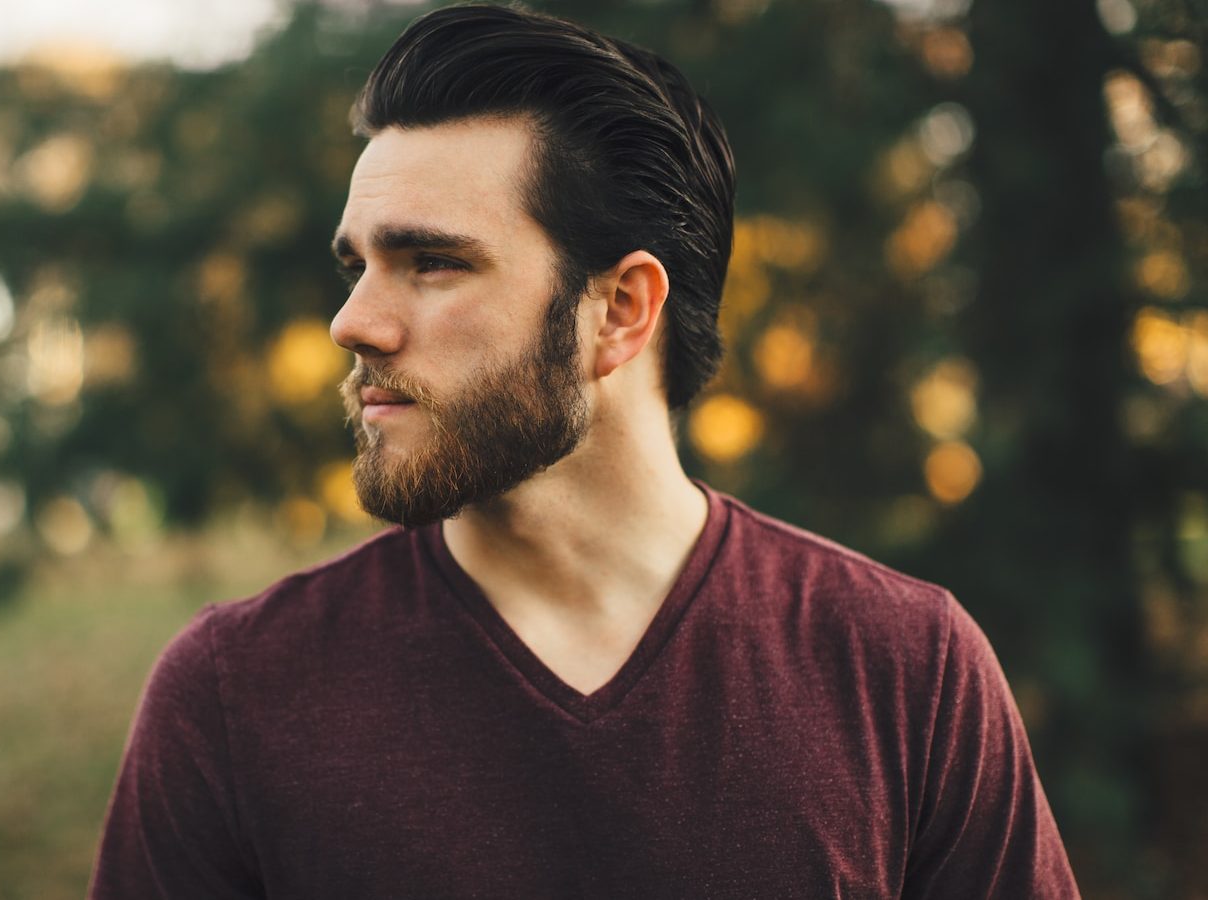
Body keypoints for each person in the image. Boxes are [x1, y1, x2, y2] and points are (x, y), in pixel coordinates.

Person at [89, 5, 1080, 897]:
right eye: (357, 266)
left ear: (619, 310)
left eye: (431, 263)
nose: (353, 322)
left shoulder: (904, 671)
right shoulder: (237, 693)